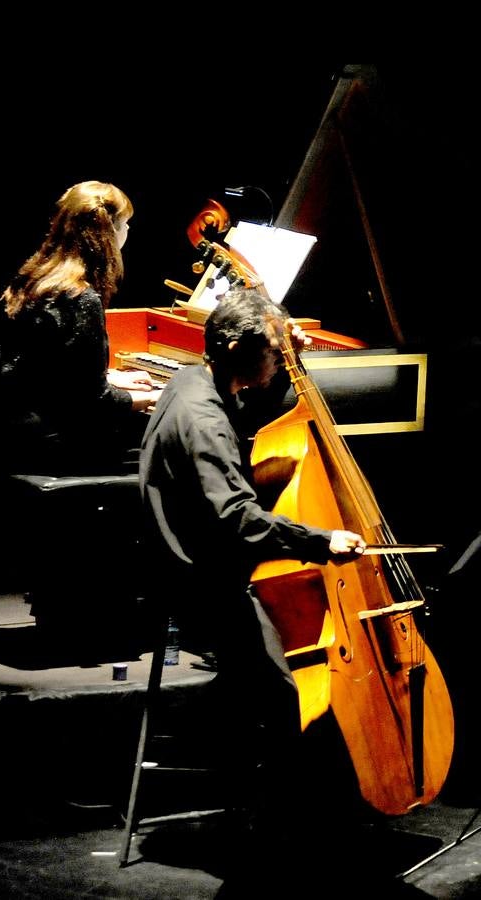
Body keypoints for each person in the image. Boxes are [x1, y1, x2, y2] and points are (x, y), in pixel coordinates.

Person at [138, 287, 366, 865]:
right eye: (272, 354)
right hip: (201, 581)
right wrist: (322, 542)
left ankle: (265, 808)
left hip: (198, 559)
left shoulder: (196, 380)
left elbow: (249, 430)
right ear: (238, 347)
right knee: (289, 697)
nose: (276, 363)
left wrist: (290, 363)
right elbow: (237, 518)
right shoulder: (204, 420)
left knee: (272, 686)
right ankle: (273, 836)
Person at [0, 180, 161, 474]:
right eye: (124, 223)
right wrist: (157, 396)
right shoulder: (81, 298)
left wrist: (108, 378)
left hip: (10, 433)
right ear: (106, 231)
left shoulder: (34, 279)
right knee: (167, 460)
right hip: (48, 446)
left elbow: (43, 371)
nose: (129, 230)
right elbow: (94, 407)